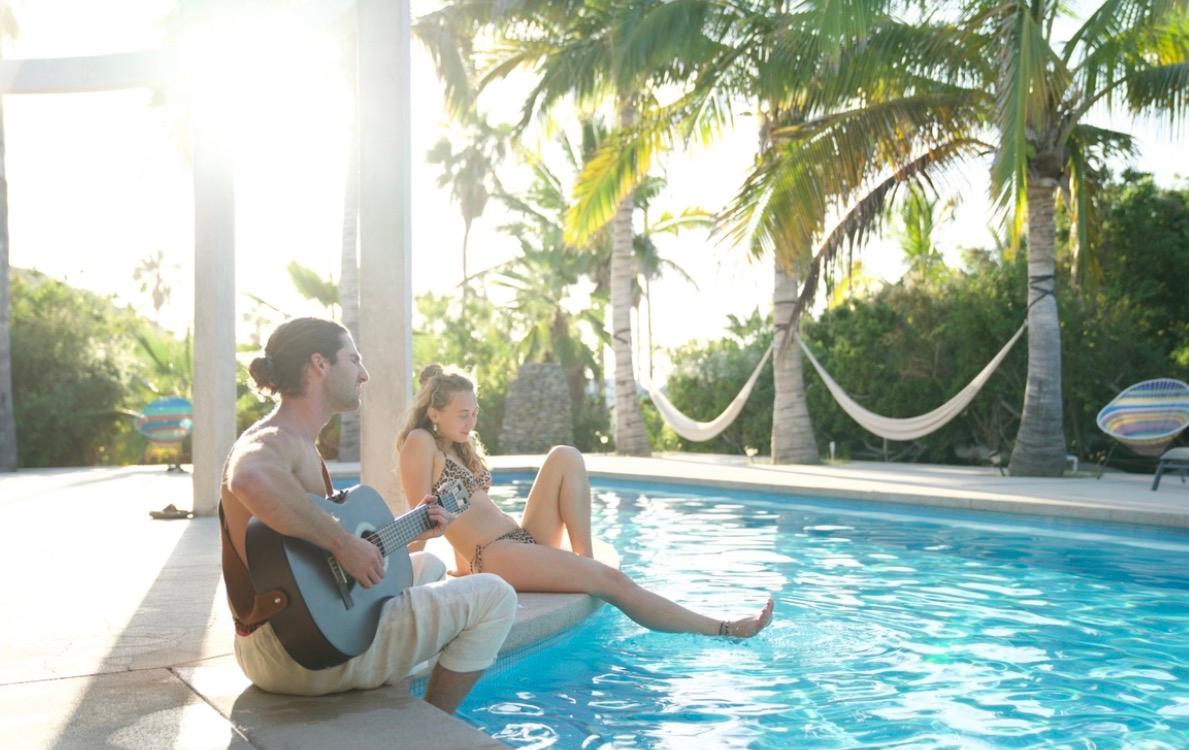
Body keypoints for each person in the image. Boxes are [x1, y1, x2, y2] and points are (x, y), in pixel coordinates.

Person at [220, 319, 517, 713]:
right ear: (319, 365)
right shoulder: (273, 439)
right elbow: (249, 479)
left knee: (425, 564)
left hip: (296, 635)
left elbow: (318, 562)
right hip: (293, 653)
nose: (364, 373)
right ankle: (434, 730)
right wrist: (344, 544)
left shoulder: (300, 444)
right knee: (496, 595)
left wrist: (417, 530)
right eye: (354, 359)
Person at [397, 365, 774, 638]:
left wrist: (463, 561)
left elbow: (473, 512)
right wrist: (461, 556)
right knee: (612, 581)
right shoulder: (421, 442)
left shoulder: (458, 448)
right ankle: (723, 628)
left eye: (475, 413)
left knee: (566, 455)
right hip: (496, 555)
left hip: (517, 542)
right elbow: (420, 526)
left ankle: (585, 560)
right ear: (434, 413)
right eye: (463, 415)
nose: (471, 423)